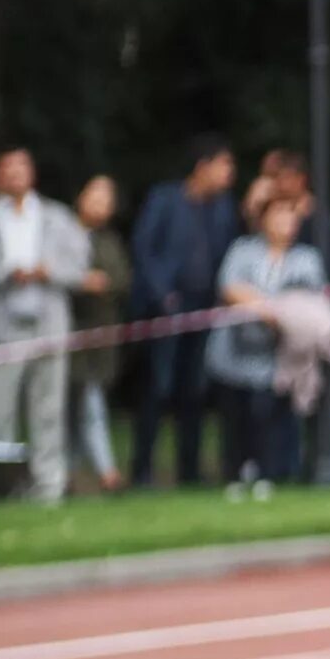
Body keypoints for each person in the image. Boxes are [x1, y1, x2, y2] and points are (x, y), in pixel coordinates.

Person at [0, 150, 90, 503]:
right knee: (0, 410)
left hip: (50, 322)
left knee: (49, 408)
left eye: (21, 167)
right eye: (7, 169)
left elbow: (79, 268)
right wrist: (6, 272)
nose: (15, 174)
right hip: (5, 323)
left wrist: (47, 270)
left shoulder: (57, 216)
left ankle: (48, 486)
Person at [206, 190, 330, 495]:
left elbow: (310, 299)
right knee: (236, 416)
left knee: (269, 415)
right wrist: (273, 308)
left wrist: (264, 308)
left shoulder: (306, 258)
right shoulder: (243, 250)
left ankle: (268, 472)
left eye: (290, 215)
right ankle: (235, 473)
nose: (284, 222)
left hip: (278, 356)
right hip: (235, 351)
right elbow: (230, 287)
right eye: (277, 215)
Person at [130, 137, 239, 486]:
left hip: (204, 311)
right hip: (167, 311)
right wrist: (164, 296)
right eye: (224, 165)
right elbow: (145, 249)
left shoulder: (222, 208)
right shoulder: (165, 199)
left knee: (194, 392)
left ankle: (189, 472)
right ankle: (143, 470)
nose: (229, 174)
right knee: (156, 389)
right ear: (202, 166)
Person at [68, 175, 132, 493]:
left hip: (99, 338)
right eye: (95, 196)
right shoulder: (63, 233)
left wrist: (103, 283)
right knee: (76, 408)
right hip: (66, 336)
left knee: (87, 405)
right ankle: (103, 472)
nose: (100, 205)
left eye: (107, 199)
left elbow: (122, 279)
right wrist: (81, 281)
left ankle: (72, 473)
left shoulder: (110, 241)